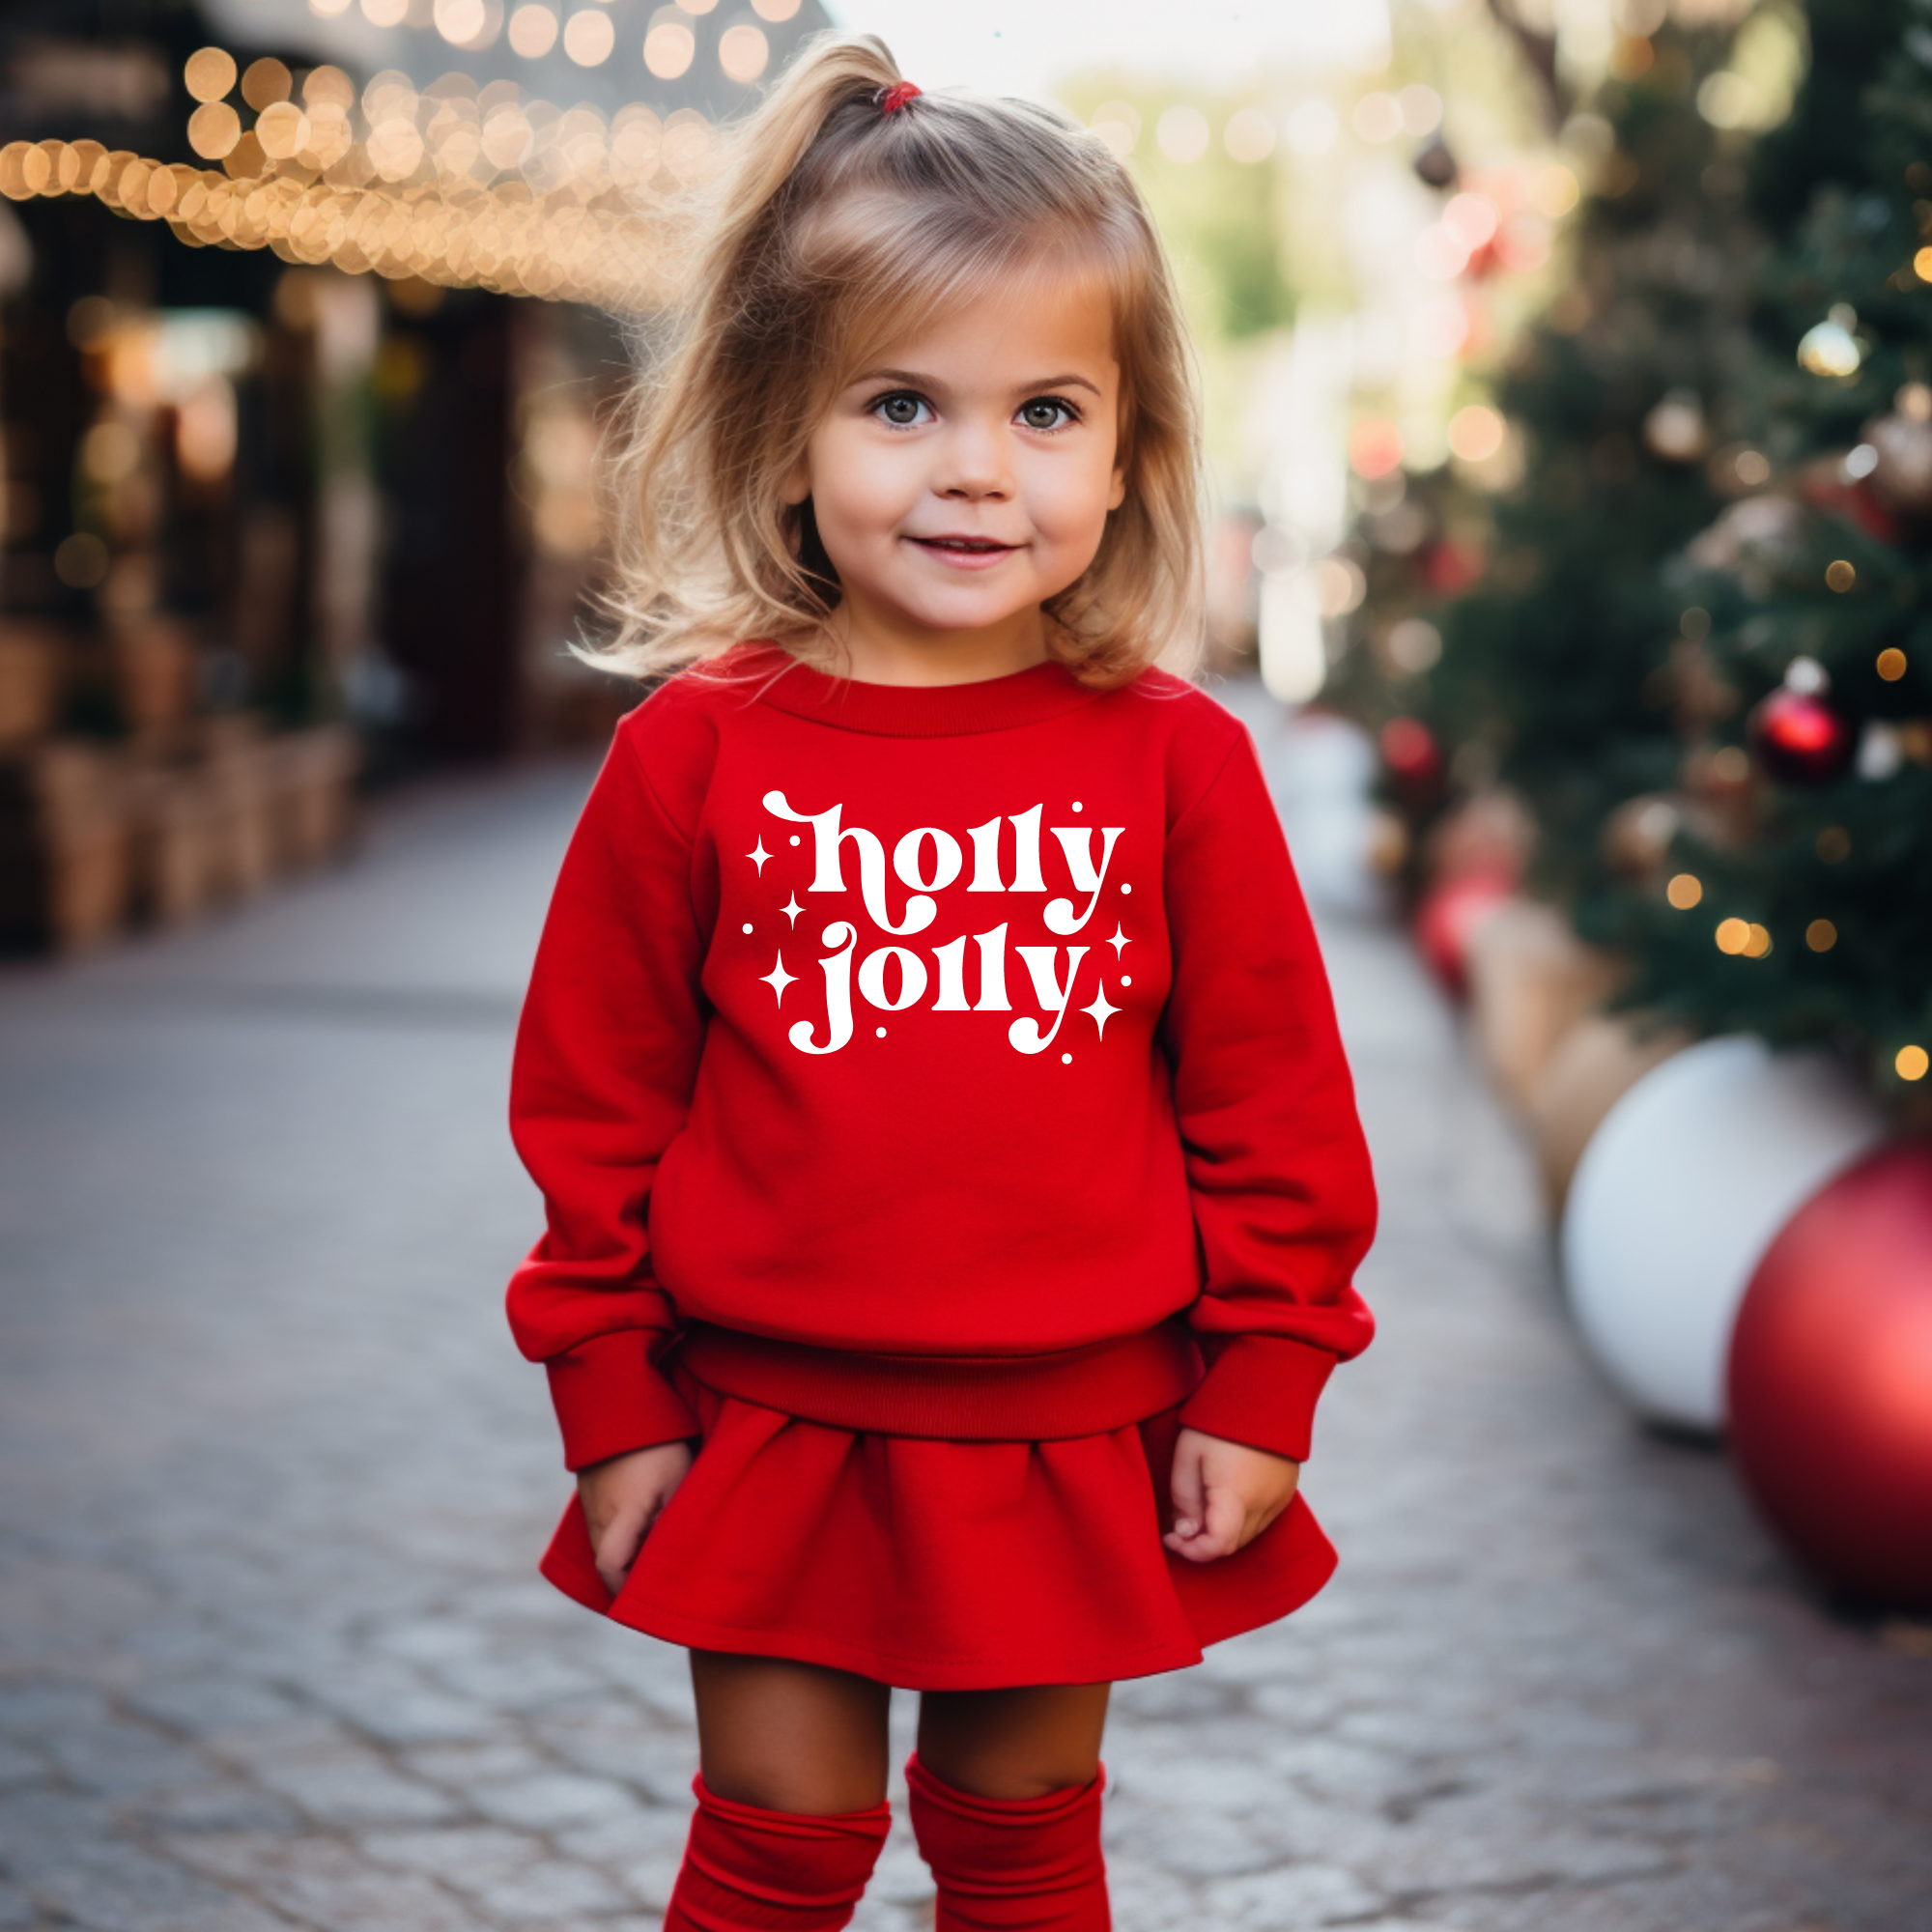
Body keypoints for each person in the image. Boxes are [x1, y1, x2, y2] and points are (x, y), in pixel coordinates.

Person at [505, 35, 1377, 1932]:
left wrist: (1266, 1378)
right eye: (901, 405)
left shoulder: (1177, 764)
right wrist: (613, 1398)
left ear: (1129, 452)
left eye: (1046, 411)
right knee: (776, 1842)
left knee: (1020, 1841)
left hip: (1071, 1425)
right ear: (785, 433)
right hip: (762, 1417)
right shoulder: (693, 757)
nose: (977, 468)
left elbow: (1271, 1106)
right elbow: (594, 1106)